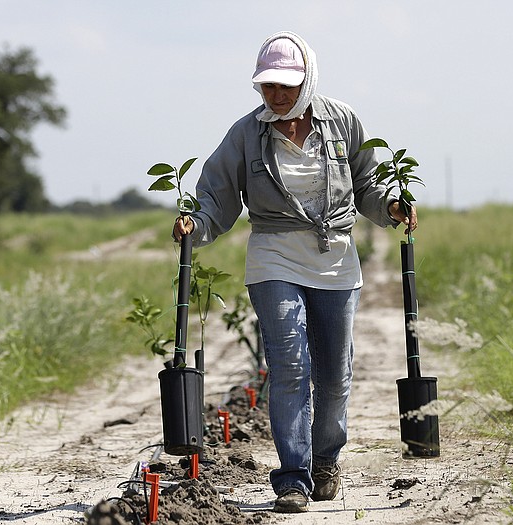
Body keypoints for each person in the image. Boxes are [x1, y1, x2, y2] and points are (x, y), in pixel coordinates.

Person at [172, 31, 417, 513]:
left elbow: (366, 183)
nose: (277, 95)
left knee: (335, 374)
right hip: (274, 255)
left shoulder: (343, 122)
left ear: (307, 80)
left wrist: (389, 205)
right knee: (288, 365)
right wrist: (194, 223)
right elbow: (217, 195)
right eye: (267, 86)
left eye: (287, 85)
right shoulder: (246, 133)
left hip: (335, 259)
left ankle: (326, 458)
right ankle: (292, 478)